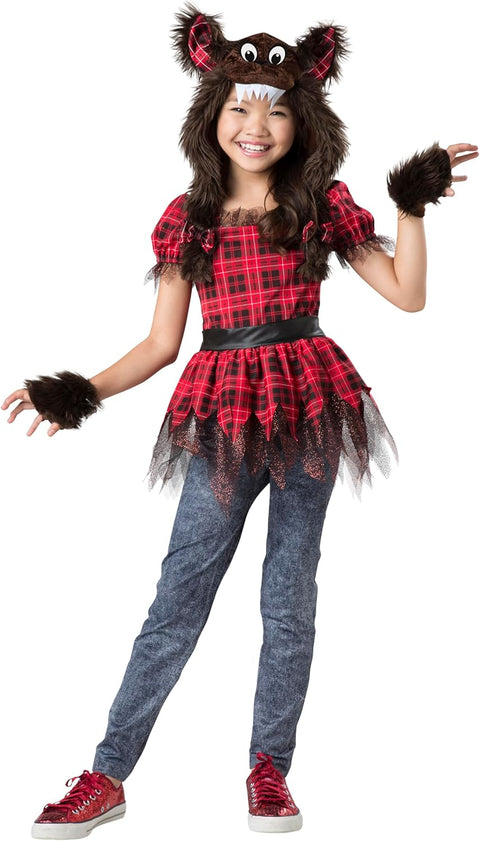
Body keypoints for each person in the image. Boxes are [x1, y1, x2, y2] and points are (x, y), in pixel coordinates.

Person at [2, 5, 477, 838]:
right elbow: (161, 344)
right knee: (179, 592)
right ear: (211, 116)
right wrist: (77, 390)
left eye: (278, 111)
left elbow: (407, 295)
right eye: (240, 108)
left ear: (303, 122)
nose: (257, 126)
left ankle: (269, 768)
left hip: (308, 402)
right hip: (224, 413)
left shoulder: (321, 205)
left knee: (289, 594)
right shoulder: (189, 219)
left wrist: (411, 204)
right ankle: (108, 772)